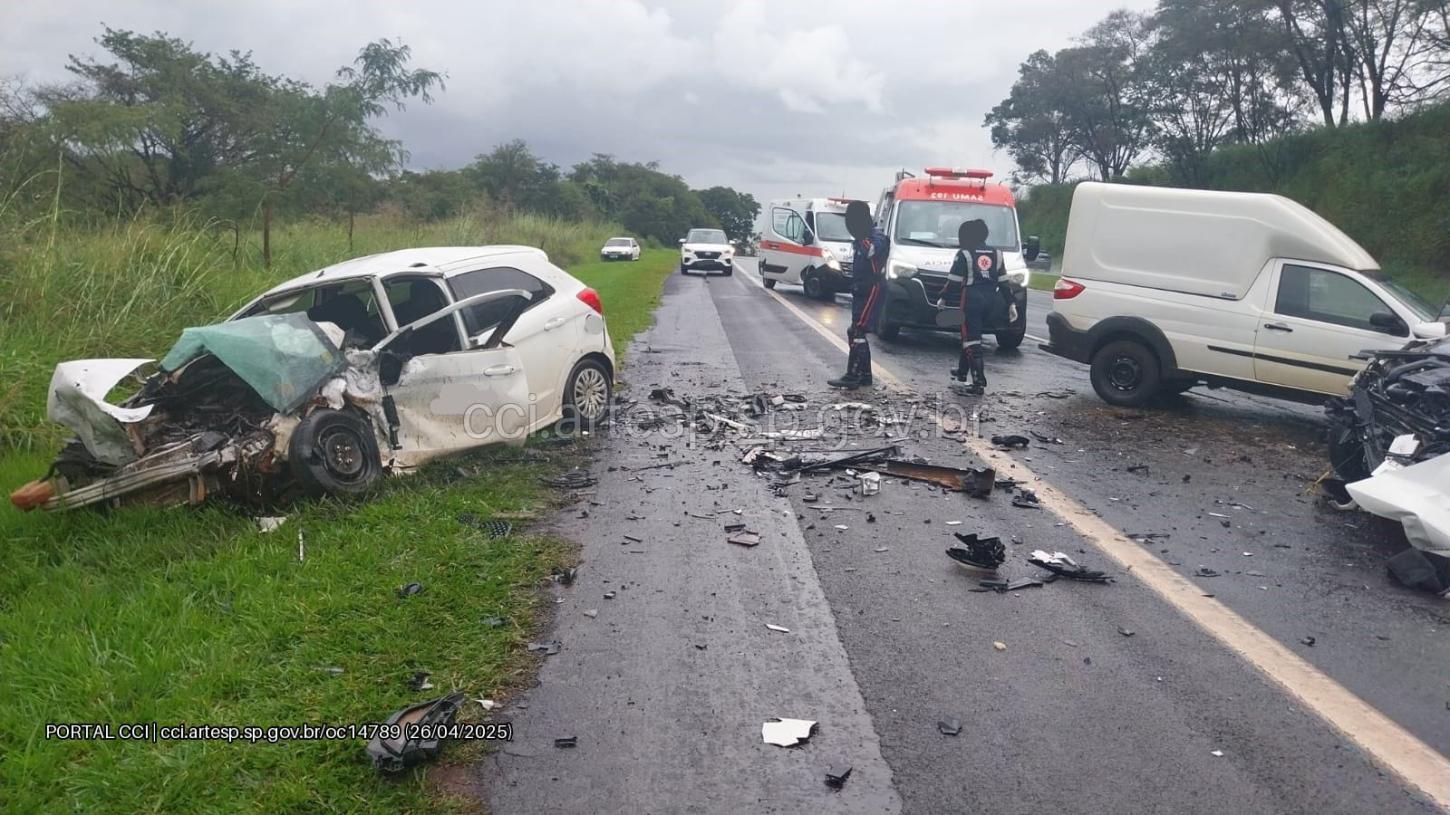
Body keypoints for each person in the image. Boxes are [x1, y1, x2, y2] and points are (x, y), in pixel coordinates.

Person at [829, 200, 889, 389]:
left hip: (872, 289)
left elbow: (872, 251)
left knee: (858, 331)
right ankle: (864, 375)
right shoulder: (860, 239)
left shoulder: (877, 237)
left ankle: (853, 376)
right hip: (860, 289)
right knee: (854, 331)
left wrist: (861, 233)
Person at [946, 219, 1000, 395]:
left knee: (970, 338)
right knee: (970, 335)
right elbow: (1004, 280)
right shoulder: (996, 254)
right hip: (991, 300)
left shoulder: (964, 253)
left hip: (972, 299)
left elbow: (953, 282)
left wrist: (943, 297)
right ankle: (962, 372)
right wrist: (1012, 303)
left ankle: (978, 381)